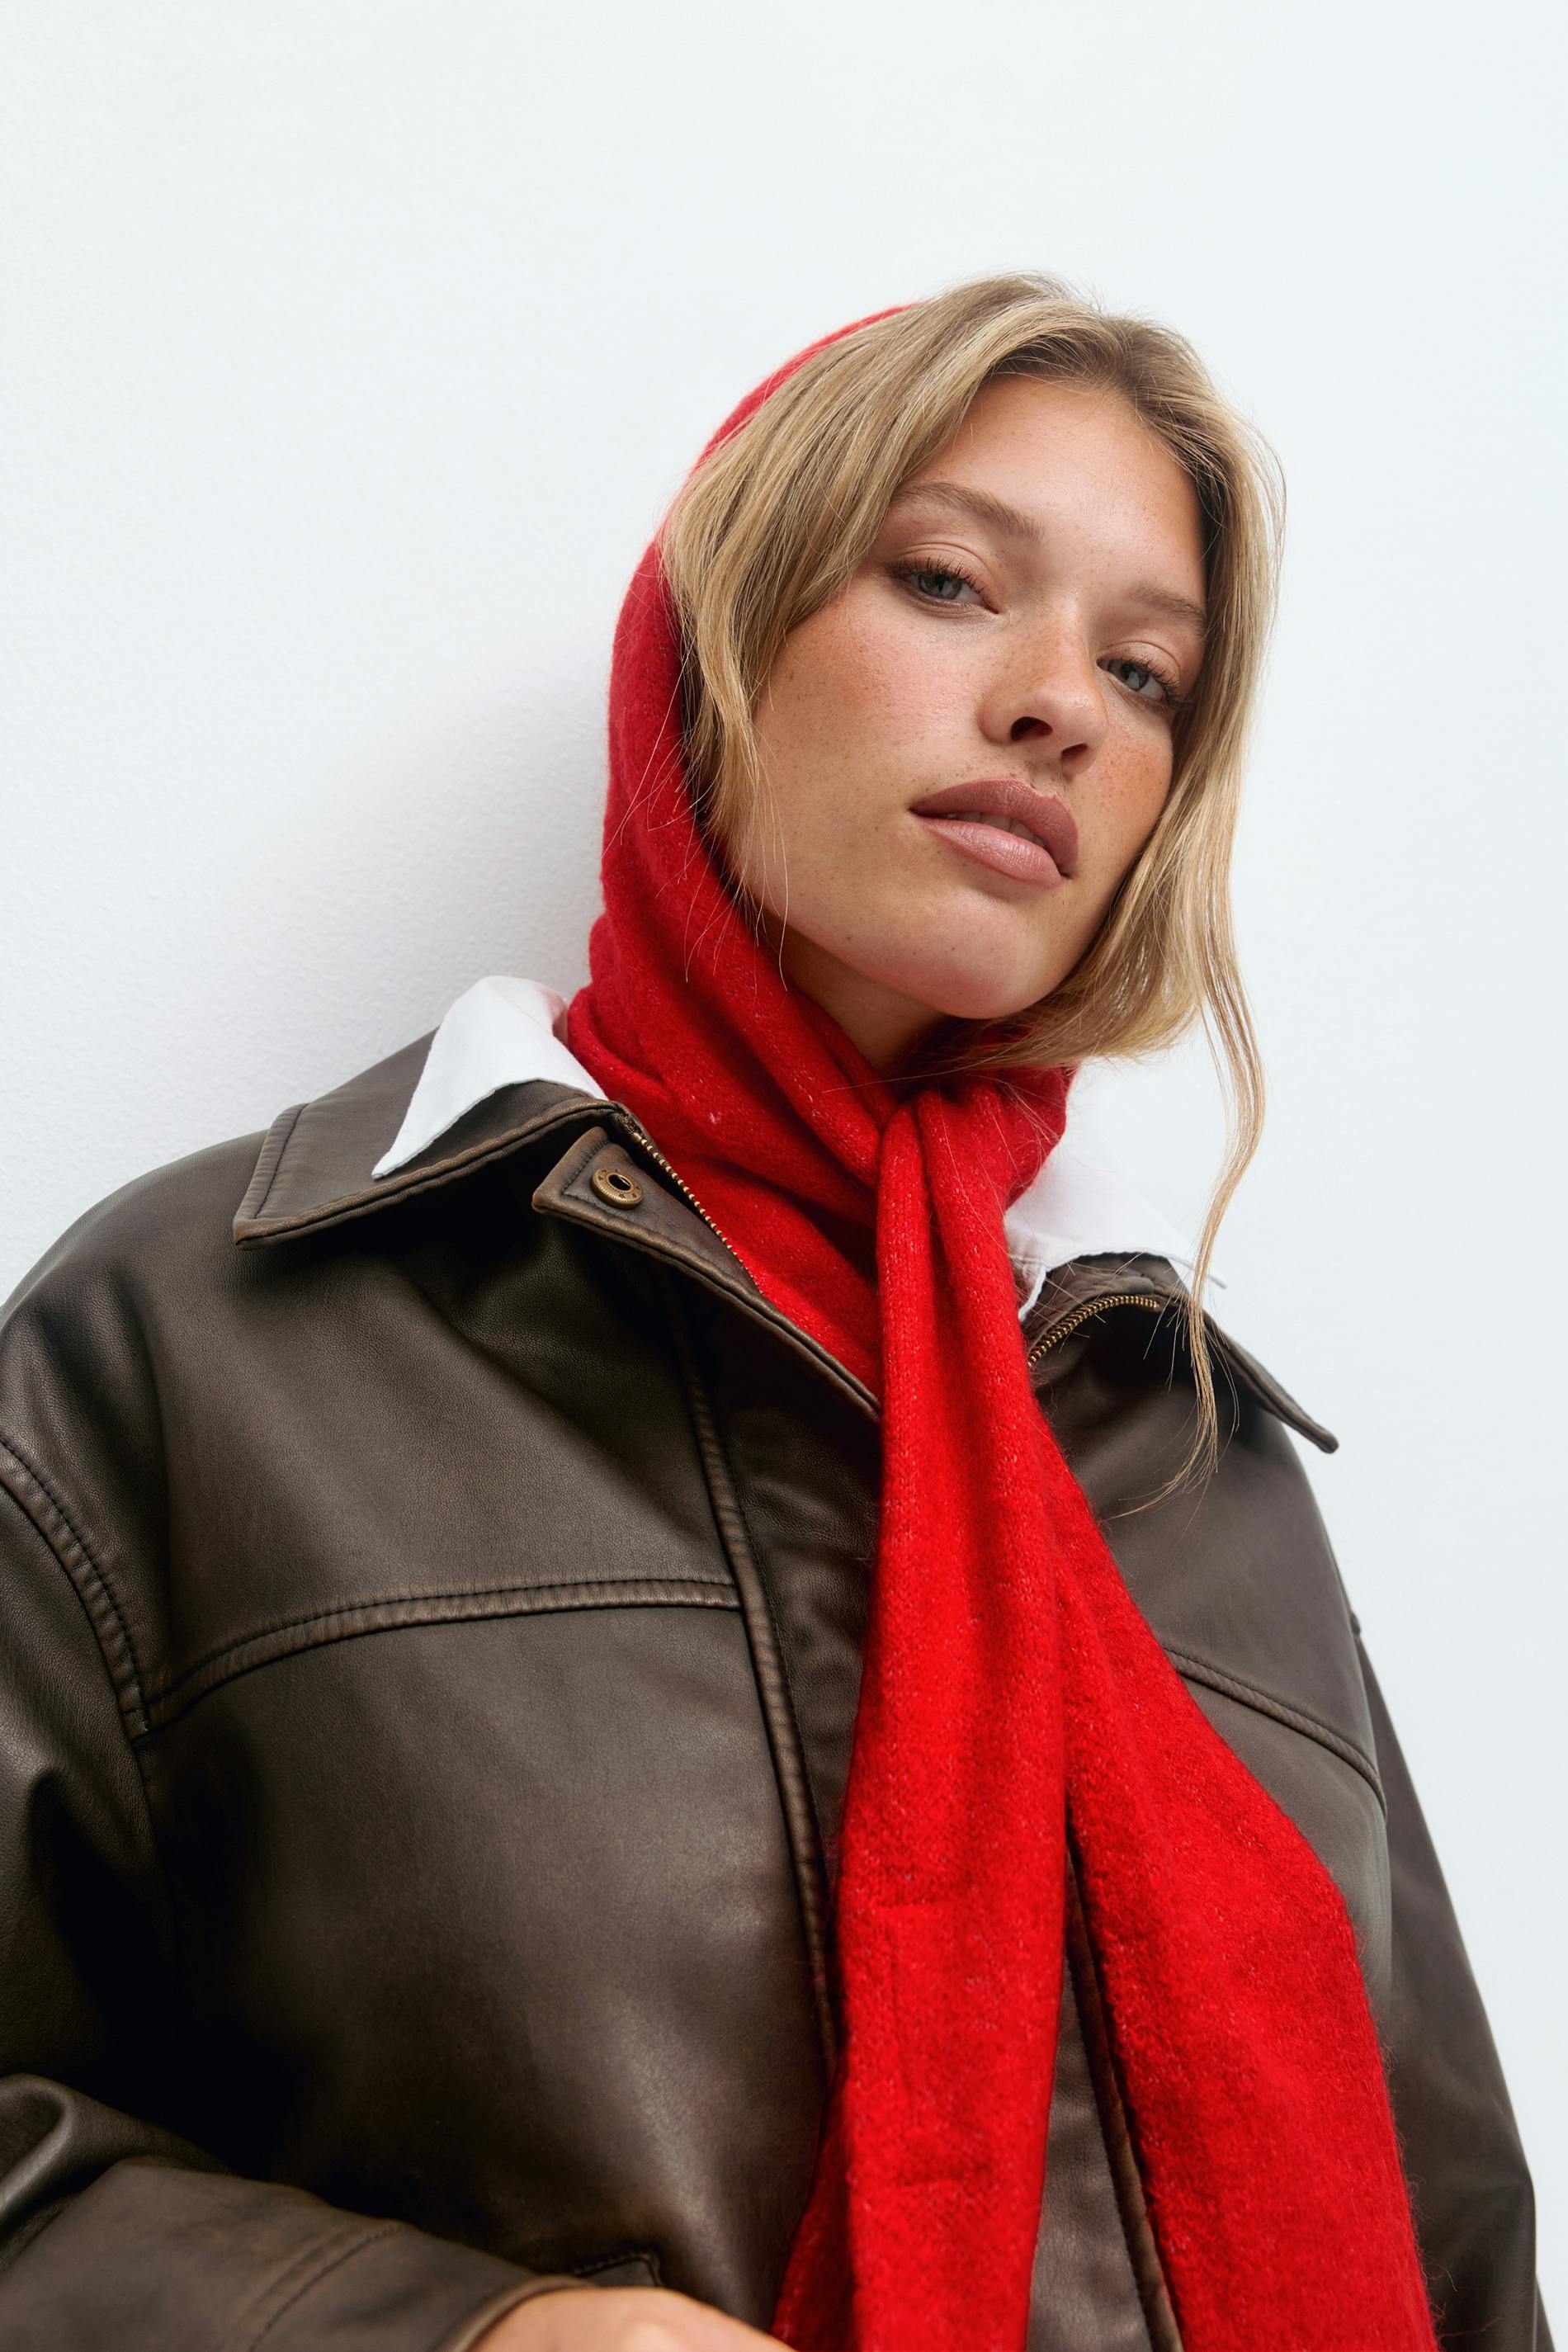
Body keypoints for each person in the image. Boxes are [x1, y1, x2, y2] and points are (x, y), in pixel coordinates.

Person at [0, 273, 1547, 2352]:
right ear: (718, 630)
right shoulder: (197, 1340)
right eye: (946, 580)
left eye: (1145, 670)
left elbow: (1459, 2268)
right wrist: (463, 2340)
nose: (1061, 706)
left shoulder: (1192, 1442)